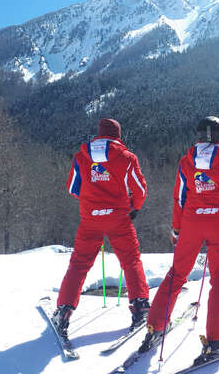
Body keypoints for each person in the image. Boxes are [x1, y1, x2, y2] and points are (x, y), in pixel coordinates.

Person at [139, 116, 219, 360]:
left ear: (198, 136)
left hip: (191, 224)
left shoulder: (186, 162)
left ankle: (155, 326)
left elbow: (179, 198)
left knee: (177, 274)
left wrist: (176, 229)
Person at [53, 118, 149, 339]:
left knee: (79, 264)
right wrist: (135, 206)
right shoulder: (126, 158)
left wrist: (92, 200)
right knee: (130, 260)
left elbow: (72, 188)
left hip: (90, 219)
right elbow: (140, 188)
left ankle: (64, 310)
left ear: (99, 134)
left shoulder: (81, 157)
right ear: (117, 135)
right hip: (119, 218)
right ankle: (140, 306)